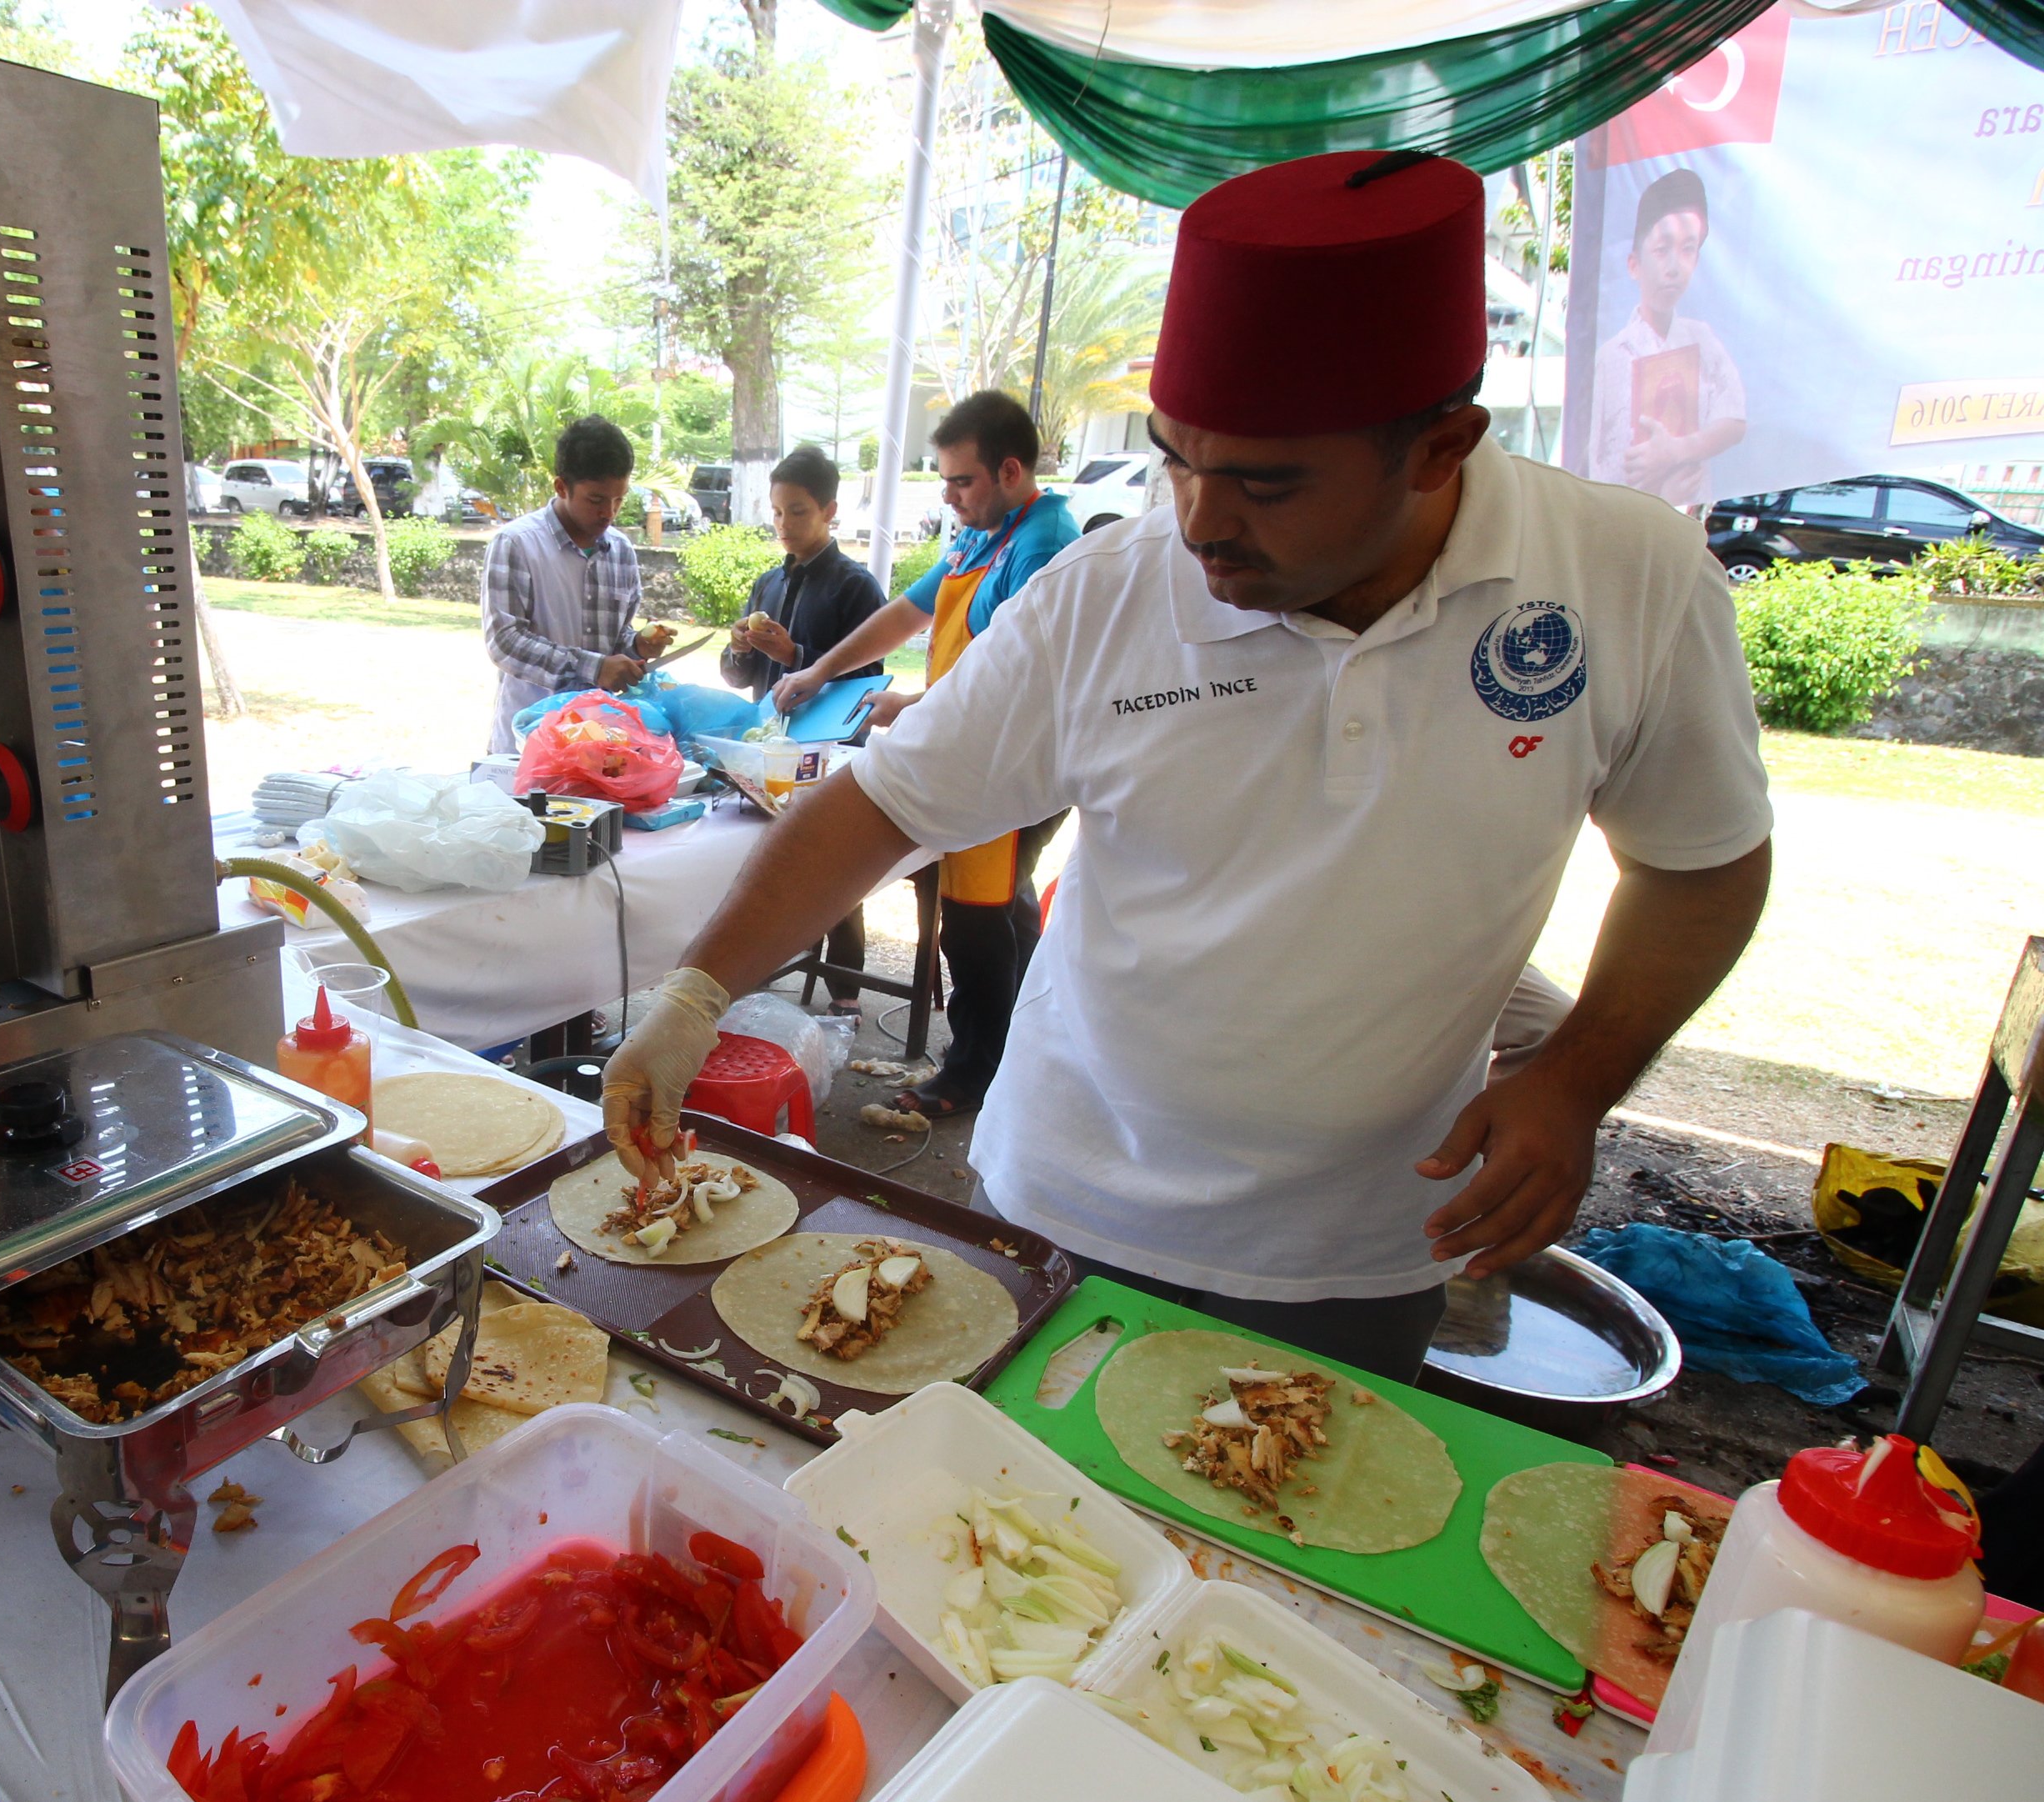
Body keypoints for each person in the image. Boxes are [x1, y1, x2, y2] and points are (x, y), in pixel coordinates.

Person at [601, 151, 1774, 1380]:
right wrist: (695, 998)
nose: (1203, 522)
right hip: (1059, 1208)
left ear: (1441, 448)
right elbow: (884, 804)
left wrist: (1577, 1082)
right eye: (1176, 458)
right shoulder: (1110, 592)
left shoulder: (1627, 581)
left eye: (1266, 481)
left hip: (1360, 1255)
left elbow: (1700, 866)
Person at [770, 391, 1080, 1118]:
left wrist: (912, 708)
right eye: (942, 480)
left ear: (1009, 471)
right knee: (1003, 909)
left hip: (1018, 761)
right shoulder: (981, 534)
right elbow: (908, 612)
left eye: (960, 481)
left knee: (977, 917)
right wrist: (822, 672)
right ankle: (1017, 1054)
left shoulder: (1044, 545)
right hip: (972, 750)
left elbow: (1018, 676)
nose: (948, 496)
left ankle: (972, 1074)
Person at [722, 444, 888, 1015]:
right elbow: (737, 674)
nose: (784, 525)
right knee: (770, 866)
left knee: (836, 872)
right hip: (771, 749)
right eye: (776, 512)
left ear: (829, 511)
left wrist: (797, 653)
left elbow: (869, 681)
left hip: (832, 751)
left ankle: (845, 996)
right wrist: (740, 646)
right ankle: (760, 974)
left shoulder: (855, 587)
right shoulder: (770, 583)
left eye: (798, 511)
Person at [482, 415, 672, 751]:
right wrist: (594, 667)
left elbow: (613, 644)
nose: (609, 513)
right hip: (527, 743)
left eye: (619, 500)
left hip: (601, 742)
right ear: (561, 487)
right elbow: (505, 642)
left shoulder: (621, 552)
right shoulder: (517, 544)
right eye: (596, 500)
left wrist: (637, 647)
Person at [1589, 168, 1746, 508]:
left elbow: (1734, 420)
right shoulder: (1613, 355)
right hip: (1635, 528)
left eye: (1688, 249)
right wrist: (1662, 500)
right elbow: (1598, 470)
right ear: (1634, 264)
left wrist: (1678, 451)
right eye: (1662, 249)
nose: (1674, 267)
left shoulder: (1702, 340)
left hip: (1692, 528)